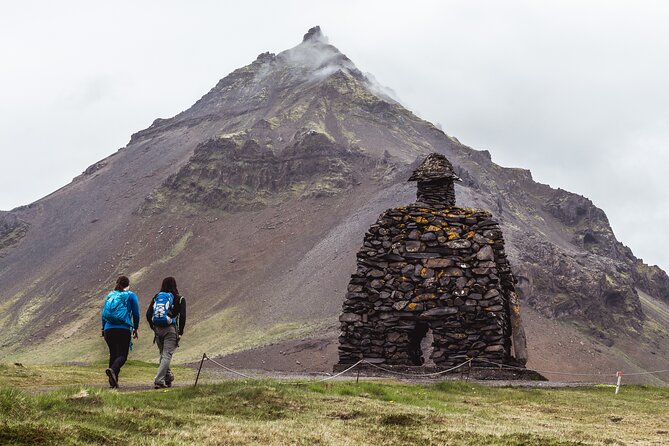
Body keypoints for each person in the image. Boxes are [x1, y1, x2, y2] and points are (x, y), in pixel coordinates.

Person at [146, 276, 186, 389]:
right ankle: (159, 381)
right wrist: (180, 332)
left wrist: (153, 327)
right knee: (166, 355)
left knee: (163, 355)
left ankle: (168, 377)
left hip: (157, 329)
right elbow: (182, 316)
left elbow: (148, 314)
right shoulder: (180, 299)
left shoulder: (157, 297)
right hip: (171, 329)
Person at [101, 275, 140, 388]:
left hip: (108, 329)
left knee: (113, 354)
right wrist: (135, 328)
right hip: (123, 329)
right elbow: (136, 313)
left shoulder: (110, 295)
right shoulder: (131, 295)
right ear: (128, 285)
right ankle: (112, 370)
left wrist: (103, 329)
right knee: (122, 355)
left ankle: (113, 383)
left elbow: (104, 314)